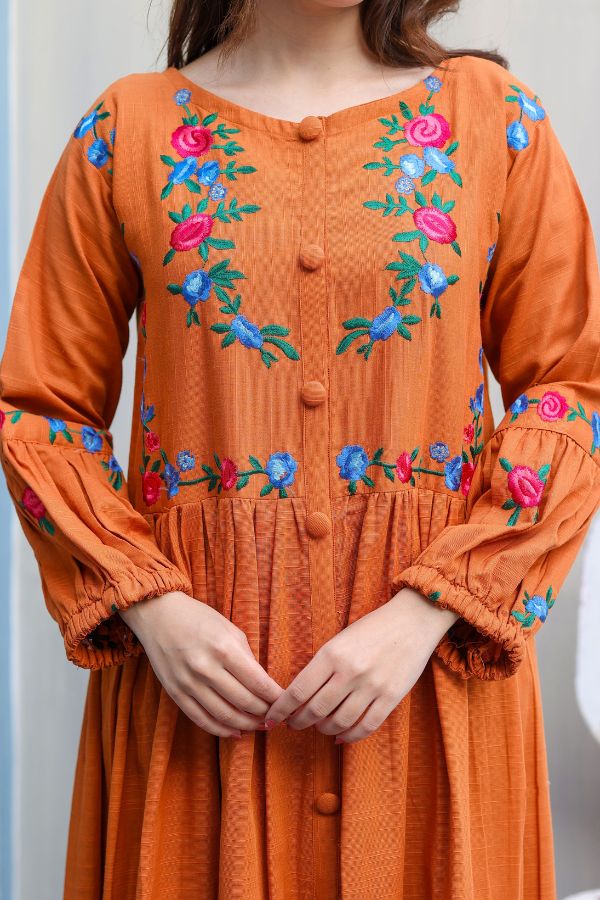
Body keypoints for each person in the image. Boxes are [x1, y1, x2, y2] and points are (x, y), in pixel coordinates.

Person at [0, 0, 598, 896]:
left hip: (430, 693)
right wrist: (151, 605)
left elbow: (572, 389)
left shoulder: (496, 121)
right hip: (197, 702)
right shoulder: (127, 132)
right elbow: (41, 411)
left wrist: (432, 609)